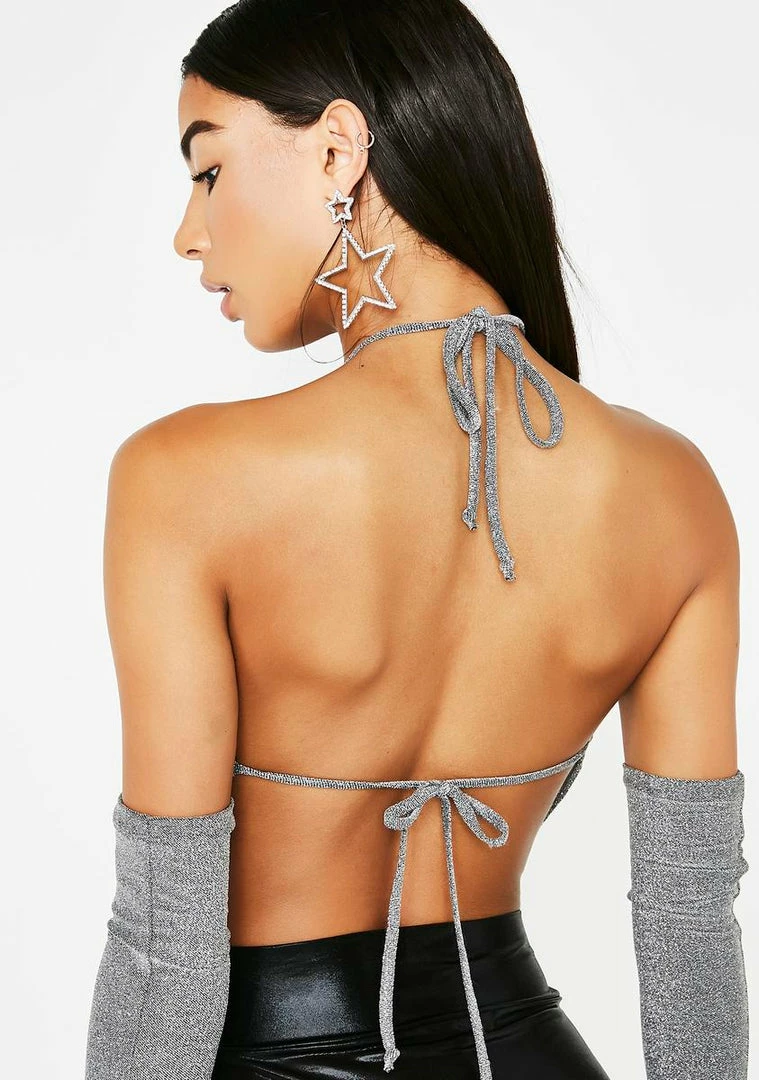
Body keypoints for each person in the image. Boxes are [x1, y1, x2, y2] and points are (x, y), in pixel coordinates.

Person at [84, 1, 749, 1078]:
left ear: (337, 149)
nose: (188, 233)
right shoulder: (673, 490)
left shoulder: (184, 477)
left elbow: (167, 950)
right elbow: (689, 930)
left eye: (207, 171)